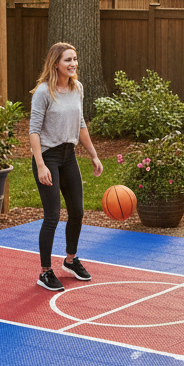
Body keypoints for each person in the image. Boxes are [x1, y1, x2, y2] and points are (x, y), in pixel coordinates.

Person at [29, 42, 104, 291]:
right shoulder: (43, 92)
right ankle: (45, 272)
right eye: (67, 60)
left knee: (78, 212)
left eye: (74, 59)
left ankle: (70, 260)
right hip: (48, 157)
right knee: (52, 216)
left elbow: (80, 123)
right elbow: (33, 132)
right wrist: (40, 165)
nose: (73, 64)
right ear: (55, 64)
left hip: (68, 155)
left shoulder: (77, 88)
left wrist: (93, 155)